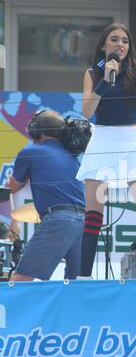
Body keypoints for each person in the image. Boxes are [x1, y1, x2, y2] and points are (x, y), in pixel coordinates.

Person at [77, 22, 136, 278]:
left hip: (132, 139)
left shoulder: (135, 70)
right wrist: (104, 81)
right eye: (115, 39)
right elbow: (87, 112)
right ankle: (84, 277)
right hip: (103, 138)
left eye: (125, 41)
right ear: (103, 44)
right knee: (93, 213)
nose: (121, 45)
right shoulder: (93, 73)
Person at [6, 109, 85, 281]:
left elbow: (12, 188)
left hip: (60, 220)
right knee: (76, 285)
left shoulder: (31, 152)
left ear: (36, 130)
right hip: (84, 222)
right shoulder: (72, 157)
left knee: (19, 281)